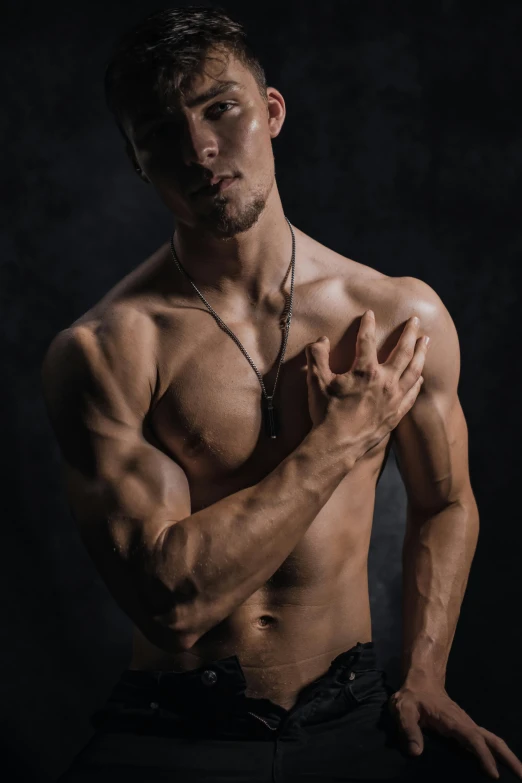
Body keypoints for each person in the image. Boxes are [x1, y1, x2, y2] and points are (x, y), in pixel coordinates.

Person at [41, 7, 522, 782]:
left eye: (220, 109)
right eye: (162, 132)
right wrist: (337, 441)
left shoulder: (400, 313)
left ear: (271, 112)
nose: (199, 150)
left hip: (351, 715)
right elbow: (173, 602)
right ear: (138, 161)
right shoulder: (106, 351)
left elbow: (446, 501)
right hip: (173, 733)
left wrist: (425, 673)